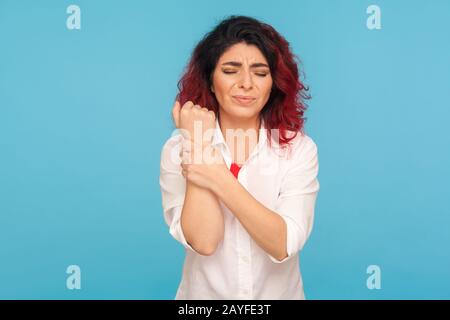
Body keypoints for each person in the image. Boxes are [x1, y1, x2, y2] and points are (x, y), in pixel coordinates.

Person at [159, 15, 320, 299]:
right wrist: (197, 145)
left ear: (273, 84)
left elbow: (283, 243)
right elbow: (205, 241)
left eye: (260, 73)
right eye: (231, 70)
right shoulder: (178, 149)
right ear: (210, 80)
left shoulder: (299, 150)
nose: (246, 83)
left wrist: (218, 176)